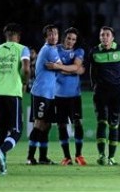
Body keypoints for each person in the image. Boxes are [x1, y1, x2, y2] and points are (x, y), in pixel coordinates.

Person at [0, 23, 30, 174]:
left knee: (2, 130)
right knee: (16, 131)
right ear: (18, 36)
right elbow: (26, 68)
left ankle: (1, 165)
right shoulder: (22, 49)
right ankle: (2, 151)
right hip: (12, 93)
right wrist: (24, 81)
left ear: (6, 35)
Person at [89, 26, 120, 165]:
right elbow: (91, 71)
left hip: (117, 92)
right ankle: (101, 155)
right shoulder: (94, 52)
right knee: (102, 122)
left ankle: (111, 157)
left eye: (107, 35)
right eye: (102, 35)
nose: (104, 37)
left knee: (114, 124)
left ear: (112, 37)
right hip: (100, 92)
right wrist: (93, 85)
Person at [46, 27, 87, 166]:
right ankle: (67, 157)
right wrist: (73, 70)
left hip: (74, 95)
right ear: (64, 37)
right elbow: (76, 69)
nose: (70, 41)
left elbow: (77, 67)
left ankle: (79, 155)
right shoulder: (55, 49)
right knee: (61, 125)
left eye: (73, 39)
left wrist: (59, 68)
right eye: (69, 38)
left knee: (78, 123)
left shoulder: (79, 51)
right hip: (58, 95)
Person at [27, 24, 62, 165]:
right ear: (46, 37)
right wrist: (75, 67)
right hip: (41, 92)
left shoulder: (53, 49)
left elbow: (59, 67)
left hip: (49, 94)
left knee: (46, 125)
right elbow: (63, 68)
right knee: (39, 124)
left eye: (55, 33)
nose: (53, 36)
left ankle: (42, 157)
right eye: (50, 34)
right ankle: (30, 157)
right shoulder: (49, 50)